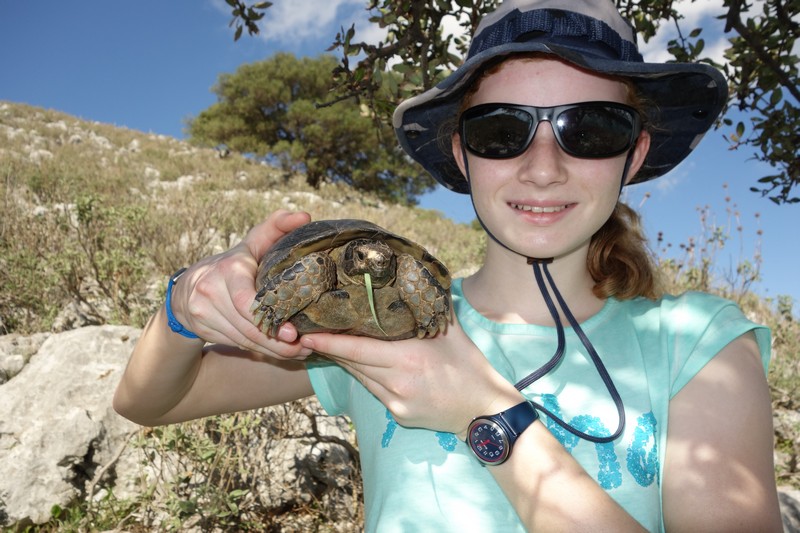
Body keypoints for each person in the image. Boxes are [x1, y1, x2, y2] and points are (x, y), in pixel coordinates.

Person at [114, 0, 783, 530]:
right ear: (463, 155)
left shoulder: (697, 343)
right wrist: (184, 305)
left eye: (591, 129)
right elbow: (148, 400)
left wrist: (486, 413)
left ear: (632, 155)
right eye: (501, 130)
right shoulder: (378, 330)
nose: (543, 167)